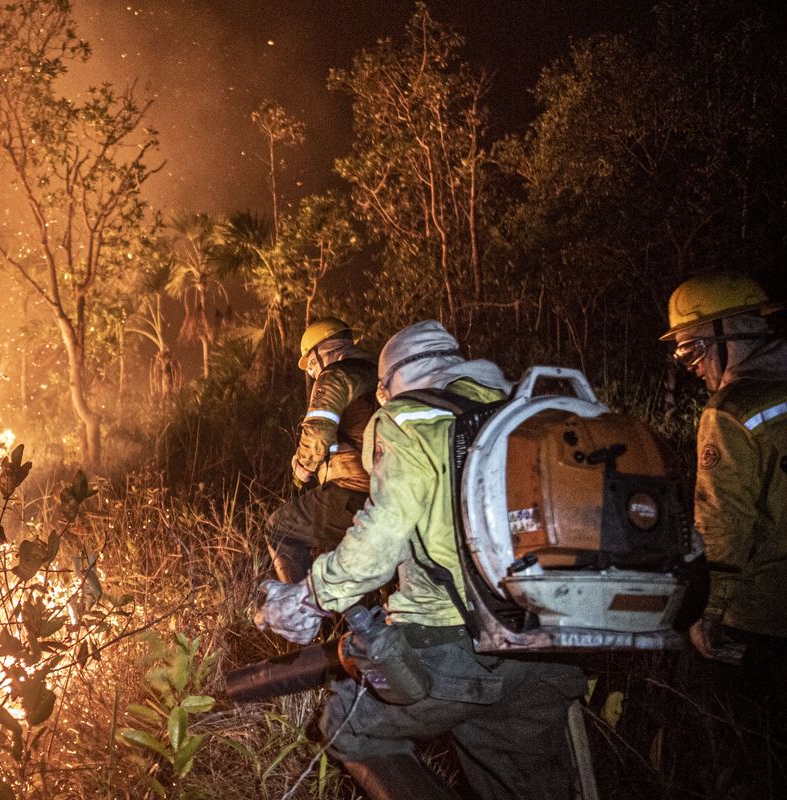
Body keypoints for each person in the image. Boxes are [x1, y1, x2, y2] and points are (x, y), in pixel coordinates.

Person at [256, 320, 584, 800]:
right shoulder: (524, 415)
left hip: (457, 648)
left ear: (389, 386)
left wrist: (308, 599)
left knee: (348, 727)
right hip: (550, 647)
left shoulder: (411, 418)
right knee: (518, 778)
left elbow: (380, 538)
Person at [662, 272, 787, 691]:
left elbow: (722, 522)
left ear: (728, 336)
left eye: (691, 349)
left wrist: (705, 612)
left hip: (760, 614)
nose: (691, 366)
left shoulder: (730, 411)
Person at [265, 318, 377, 583]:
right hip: (392, 490)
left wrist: (301, 471)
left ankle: (300, 615)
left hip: (355, 490)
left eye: (312, 364)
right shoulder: (379, 371)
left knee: (279, 528)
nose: (313, 373)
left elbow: (318, 431)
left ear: (322, 349)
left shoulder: (336, 375)